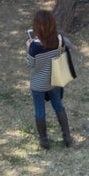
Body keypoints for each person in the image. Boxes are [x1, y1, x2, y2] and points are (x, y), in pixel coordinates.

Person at [26, 8, 75, 149]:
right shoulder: (59, 40)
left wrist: (27, 47)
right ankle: (67, 136)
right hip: (55, 81)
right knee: (58, 106)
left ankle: (44, 140)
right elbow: (66, 49)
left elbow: (30, 64)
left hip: (38, 84)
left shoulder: (34, 46)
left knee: (39, 110)